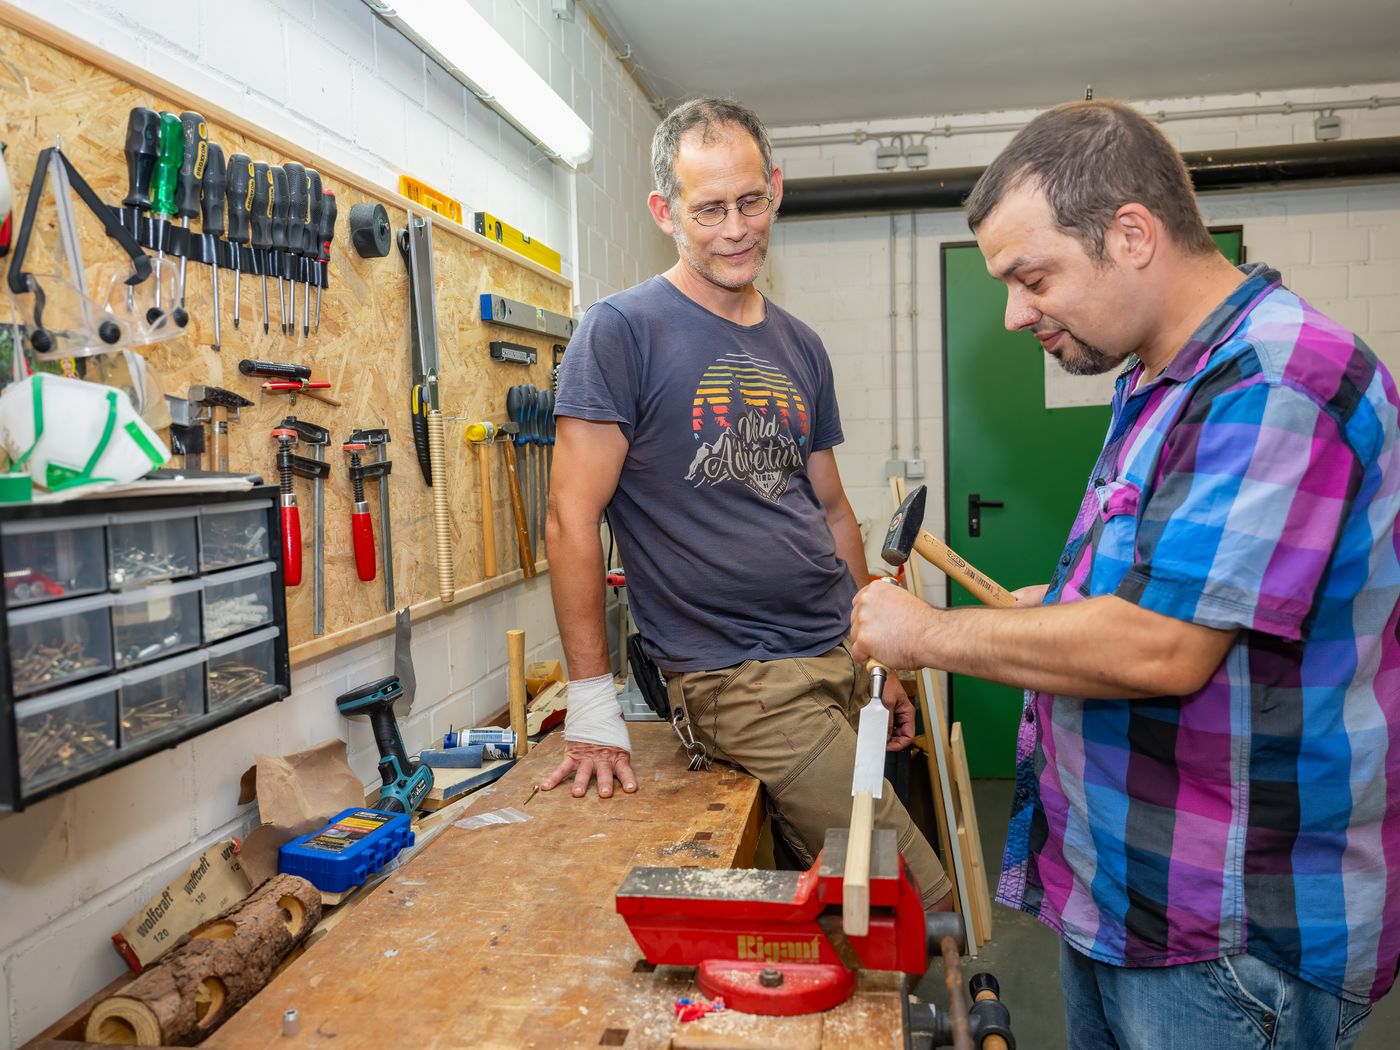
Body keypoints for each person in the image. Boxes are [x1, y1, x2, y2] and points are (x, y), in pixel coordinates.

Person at [849, 98, 1399, 1048]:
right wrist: (1057, 608)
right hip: (1131, 895)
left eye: (1032, 278)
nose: (1015, 313)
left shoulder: (1275, 380)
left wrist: (926, 633)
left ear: (1133, 235)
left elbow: (1162, 646)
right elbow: (1164, 584)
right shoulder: (1159, 378)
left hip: (1229, 932)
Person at [541, 97, 952, 911]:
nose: (735, 229)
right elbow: (569, 519)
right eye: (709, 210)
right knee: (919, 903)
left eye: (751, 201)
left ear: (777, 190)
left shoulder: (800, 344)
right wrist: (590, 704)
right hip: (742, 682)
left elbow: (831, 511)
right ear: (666, 212)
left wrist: (873, 657)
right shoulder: (621, 331)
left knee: (852, 907)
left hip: (832, 654)